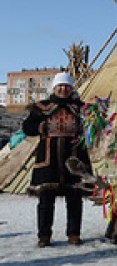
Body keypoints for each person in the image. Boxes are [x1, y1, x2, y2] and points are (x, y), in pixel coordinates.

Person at [22, 72, 92, 248]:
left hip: (74, 159)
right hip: (48, 160)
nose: (63, 89)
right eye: (60, 86)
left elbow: (95, 127)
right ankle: (44, 236)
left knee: (75, 199)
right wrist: (42, 126)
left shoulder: (82, 108)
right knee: (46, 201)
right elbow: (27, 127)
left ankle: (74, 234)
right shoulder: (41, 108)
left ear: (71, 88)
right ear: (54, 88)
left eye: (67, 86)